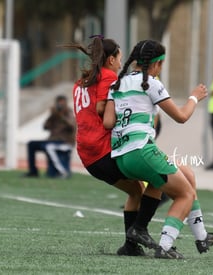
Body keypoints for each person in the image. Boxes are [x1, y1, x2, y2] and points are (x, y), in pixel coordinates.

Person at [104, 39, 213, 259]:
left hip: (121, 157)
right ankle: (165, 247)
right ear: (157, 64)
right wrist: (194, 97)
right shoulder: (151, 83)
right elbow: (181, 117)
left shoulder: (117, 85)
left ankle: (202, 237)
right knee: (185, 194)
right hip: (141, 151)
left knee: (186, 173)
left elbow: (108, 122)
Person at [67, 36, 161, 256]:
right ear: (110, 59)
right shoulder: (108, 76)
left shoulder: (81, 82)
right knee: (155, 181)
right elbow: (102, 109)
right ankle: (138, 234)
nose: (121, 63)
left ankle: (130, 244)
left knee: (137, 190)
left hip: (87, 154)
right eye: (119, 57)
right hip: (102, 151)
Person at [22, 95, 75, 178]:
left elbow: (72, 126)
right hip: (53, 140)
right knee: (31, 144)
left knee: (48, 146)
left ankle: (62, 172)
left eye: (62, 103)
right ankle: (33, 171)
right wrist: (52, 116)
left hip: (65, 142)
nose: (60, 105)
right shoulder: (54, 115)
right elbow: (45, 127)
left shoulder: (69, 113)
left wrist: (61, 116)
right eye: (58, 102)